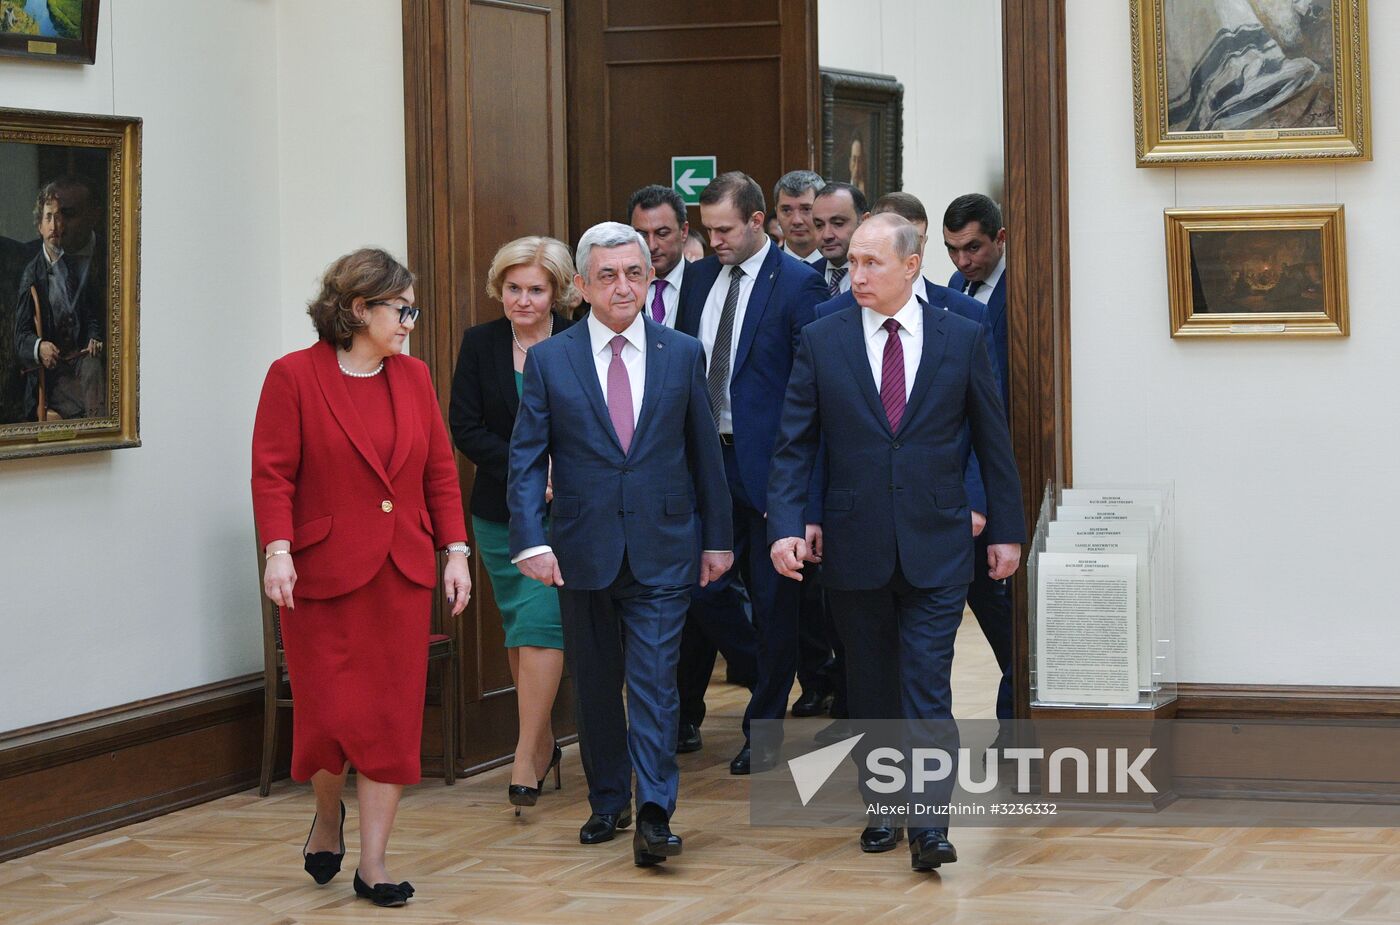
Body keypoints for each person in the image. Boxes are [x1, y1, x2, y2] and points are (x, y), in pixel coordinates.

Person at [768, 213, 1025, 872]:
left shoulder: (960, 337)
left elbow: (993, 440)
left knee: (928, 685)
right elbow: (794, 443)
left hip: (938, 542)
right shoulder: (821, 338)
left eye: (871, 263)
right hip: (854, 544)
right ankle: (883, 804)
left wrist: (1006, 530)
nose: (856, 274)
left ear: (910, 266)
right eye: (852, 262)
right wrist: (787, 524)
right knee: (873, 684)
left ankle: (931, 823)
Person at [252, 248, 472, 908]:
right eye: (400, 309)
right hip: (319, 579)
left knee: (389, 719)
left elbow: (438, 472)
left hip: (400, 576)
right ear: (358, 309)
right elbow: (272, 474)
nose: (410, 320)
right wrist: (278, 550)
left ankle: (373, 863)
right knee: (327, 720)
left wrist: (455, 550)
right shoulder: (292, 376)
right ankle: (327, 815)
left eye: (411, 309)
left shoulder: (413, 377)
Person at [508, 221, 732, 867]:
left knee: (656, 681)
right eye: (606, 274)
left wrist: (717, 538)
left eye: (634, 272)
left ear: (649, 277)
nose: (623, 285)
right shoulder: (552, 359)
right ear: (581, 286)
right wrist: (529, 540)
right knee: (598, 682)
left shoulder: (682, 351)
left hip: (664, 545)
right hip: (582, 547)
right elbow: (527, 460)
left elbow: (704, 455)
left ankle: (656, 811)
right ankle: (609, 798)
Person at [678, 171, 827, 775]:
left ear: (757, 222)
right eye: (707, 229)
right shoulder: (695, 279)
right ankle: (768, 664)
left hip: (770, 466)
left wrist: (807, 494)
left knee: (774, 601)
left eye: (724, 230)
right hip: (704, 461)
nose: (713, 241)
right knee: (699, 589)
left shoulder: (799, 284)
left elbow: (812, 392)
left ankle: (762, 731)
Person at [449, 236, 578, 815]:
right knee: (518, 625)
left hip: (569, 513)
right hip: (500, 511)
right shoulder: (481, 344)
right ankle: (545, 739)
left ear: (558, 293)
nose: (523, 300)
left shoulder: (579, 343)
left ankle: (525, 753)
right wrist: (529, 466)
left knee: (543, 621)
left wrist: (560, 470)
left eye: (535, 289)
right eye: (513, 289)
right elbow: (466, 427)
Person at [628, 183, 758, 755]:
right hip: (660, 471)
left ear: (685, 235)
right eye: (643, 234)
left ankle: (773, 673)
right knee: (688, 594)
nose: (653, 246)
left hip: (725, 457)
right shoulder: (616, 292)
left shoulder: (710, 280)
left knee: (713, 590)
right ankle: (684, 711)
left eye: (663, 233)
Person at [12, 177, 105, 421]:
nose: (54, 224)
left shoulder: (71, 266)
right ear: (39, 227)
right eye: (48, 217)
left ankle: (99, 432)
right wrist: (39, 346)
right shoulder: (32, 275)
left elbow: (90, 315)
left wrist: (94, 338)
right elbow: (20, 336)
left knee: (94, 368)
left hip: (77, 360)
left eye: (59, 217)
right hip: (51, 372)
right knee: (85, 402)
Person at [772, 170, 825, 267]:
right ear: (777, 214)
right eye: (786, 210)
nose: (797, 221)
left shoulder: (844, 266)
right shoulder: (764, 266)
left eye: (806, 209)